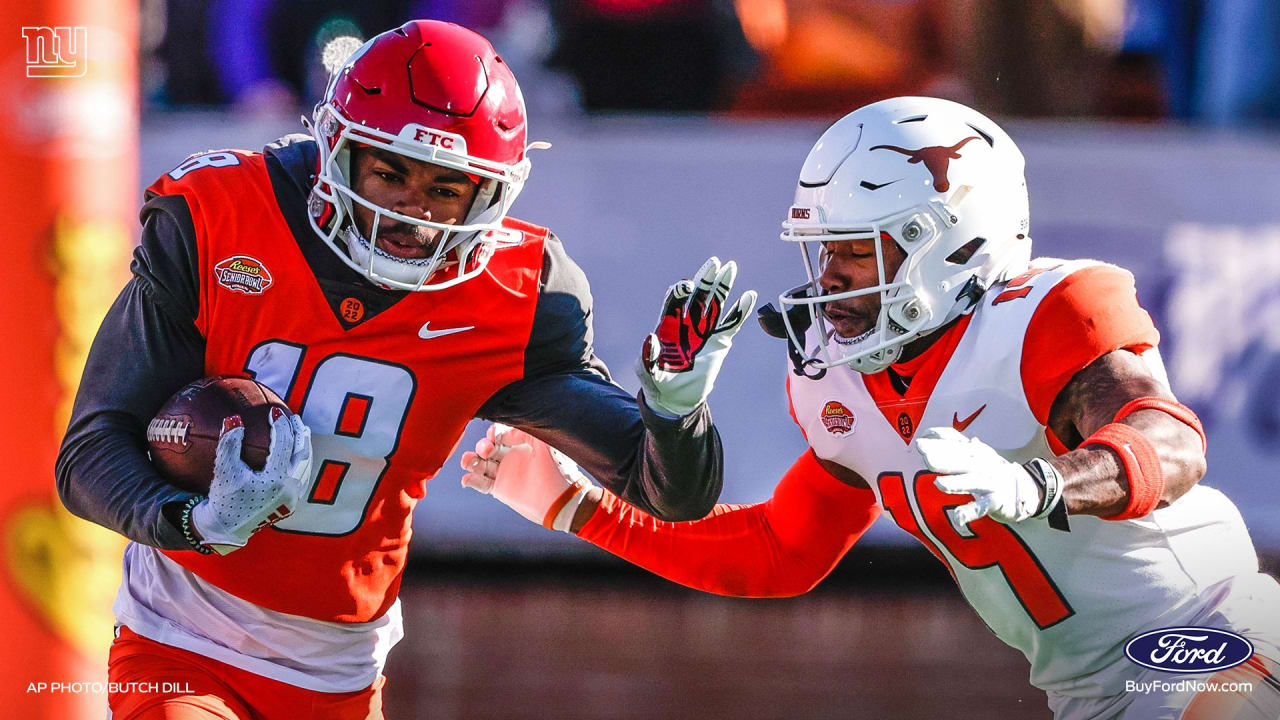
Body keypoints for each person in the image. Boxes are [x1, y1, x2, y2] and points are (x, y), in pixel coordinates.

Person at [463, 97, 1280, 720]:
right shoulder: (838, 386)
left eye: (857, 253)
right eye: (823, 255)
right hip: (1093, 691)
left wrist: (1040, 485)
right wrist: (581, 507)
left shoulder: (1046, 312)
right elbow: (782, 550)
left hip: (1214, 636)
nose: (830, 284)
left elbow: (1169, 444)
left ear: (954, 239)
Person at [55, 20, 755, 720]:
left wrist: (674, 406)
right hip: (182, 635)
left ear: (490, 199)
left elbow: (666, 493)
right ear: (338, 150)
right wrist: (193, 522)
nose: (410, 212)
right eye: (389, 173)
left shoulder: (516, 298)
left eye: (445, 190)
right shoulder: (222, 219)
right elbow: (90, 450)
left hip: (340, 667)